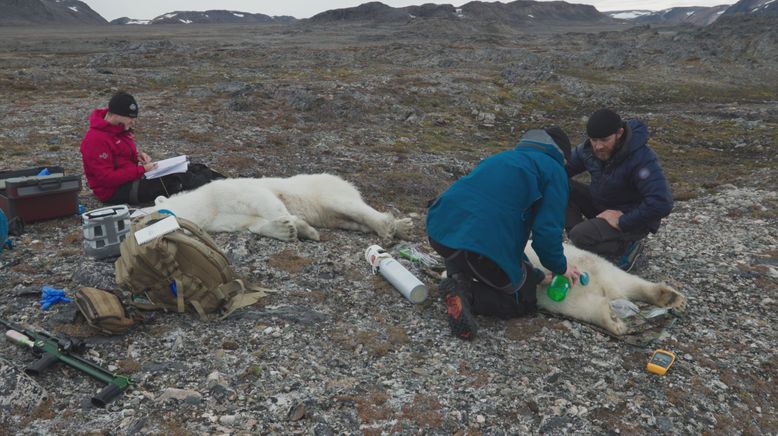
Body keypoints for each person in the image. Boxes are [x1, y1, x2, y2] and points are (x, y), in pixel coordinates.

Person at [426, 127, 581, 341]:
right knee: (522, 300)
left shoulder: (504, 157)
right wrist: (561, 267)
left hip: (440, 228)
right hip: (480, 243)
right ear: (562, 156)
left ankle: (458, 275)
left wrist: (535, 276)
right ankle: (467, 293)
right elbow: (546, 234)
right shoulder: (554, 170)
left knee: (469, 238)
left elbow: (509, 240)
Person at [565, 108, 673, 271]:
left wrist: (622, 220)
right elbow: (560, 169)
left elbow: (662, 202)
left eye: (604, 140)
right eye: (594, 140)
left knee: (580, 235)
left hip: (633, 220)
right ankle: (584, 244)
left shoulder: (642, 158)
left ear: (619, 133)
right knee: (561, 185)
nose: (598, 146)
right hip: (603, 207)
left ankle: (626, 249)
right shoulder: (588, 150)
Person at [80, 91, 223, 205]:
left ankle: (230, 184)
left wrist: (138, 158)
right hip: (115, 192)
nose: (133, 122)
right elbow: (106, 178)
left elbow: (120, 157)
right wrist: (141, 170)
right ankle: (223, 192)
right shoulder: (95, 140)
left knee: (191, 167)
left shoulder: (118, 128)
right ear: (116, 114)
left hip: (132, 179)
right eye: (130, 118)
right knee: (178, 180)